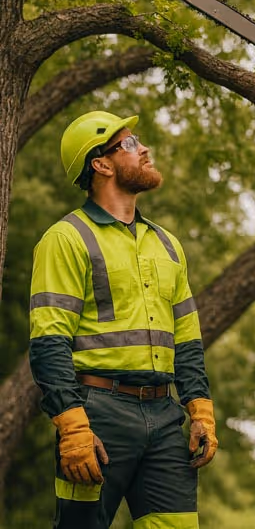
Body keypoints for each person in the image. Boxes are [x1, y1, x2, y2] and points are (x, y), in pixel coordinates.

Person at [29, 111, 217, 529]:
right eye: (129, 144)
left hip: (165, 415)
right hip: (96, 415)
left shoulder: (167, 244)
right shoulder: (66, 239)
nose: (144, 148)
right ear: (101, 163)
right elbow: (48, 343)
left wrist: (200, 411)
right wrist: (72, 426)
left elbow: (187, 341)